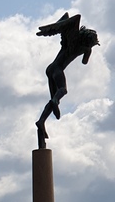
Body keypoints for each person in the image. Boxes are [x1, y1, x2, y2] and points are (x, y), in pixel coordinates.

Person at [35, 12, 99, 147]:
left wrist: (61, 26)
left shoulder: (72, 41)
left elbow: (65, 20)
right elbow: (85, 62)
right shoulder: (85, 49)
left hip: (51, 69)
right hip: (57, 70)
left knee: (53, 100)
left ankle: (42, 121)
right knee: (63, 90)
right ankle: (55, 101)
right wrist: (89, 51)